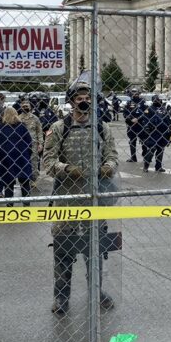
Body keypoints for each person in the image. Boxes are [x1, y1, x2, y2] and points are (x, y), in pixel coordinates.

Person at [44, 80, 118, 315]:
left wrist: (108, 167)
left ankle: (97, 293)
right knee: (64, 251)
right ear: (72, 101)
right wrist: (66, 169)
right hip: (67, 200)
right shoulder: (59, 128)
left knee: (94, 252)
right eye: (79, 98)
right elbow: (47, 162)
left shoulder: (102, 128)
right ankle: (61, 297)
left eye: (88, 98)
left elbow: (113, 156)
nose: (84, 101)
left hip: (95, 201)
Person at [0, 106, 34, 204]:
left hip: (7, 160)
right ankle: (26, 206)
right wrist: (27, 154)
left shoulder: (1, 128)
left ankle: (10, 207)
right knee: (25, 184)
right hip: (22, 159)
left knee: (8, 185)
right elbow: (29, 143)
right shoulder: (22, 127)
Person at [142, 94, 171, 172]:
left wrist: (170, 129)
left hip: (163, 132)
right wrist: (147, 129)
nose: (159, 101)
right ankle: (146, 166)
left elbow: (168, 120)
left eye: (160, 100)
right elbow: (145, 120)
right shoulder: (149, 109)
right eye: (158, 100)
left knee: (161, 149)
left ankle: (158, 166)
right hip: (153, 132)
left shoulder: (163, 109)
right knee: (152, 149)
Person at [18, 97, 44, 188]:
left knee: (34, 162)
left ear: (30, 107)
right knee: (23, 162)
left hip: (33, 144)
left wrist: (41, 143)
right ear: (21, 107)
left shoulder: (35, 118)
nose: (25, 107)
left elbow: (39, 131)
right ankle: (24, 179)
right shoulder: (18, 119)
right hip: (21, 145)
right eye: (23, 106)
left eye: (27, 105)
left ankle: (34, 180)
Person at [124, 87, 145, 162]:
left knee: (143, 140)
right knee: (132, 141)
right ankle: (133, 157)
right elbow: (125, 113)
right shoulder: (129, 102)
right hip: (131, 125)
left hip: (141, 124)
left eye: (136, 93)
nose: (135, 94)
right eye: (133, 93)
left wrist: (138, 119)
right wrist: (130, 119)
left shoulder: (143, 102)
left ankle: (145, 155)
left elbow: (146, 113)